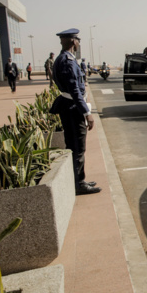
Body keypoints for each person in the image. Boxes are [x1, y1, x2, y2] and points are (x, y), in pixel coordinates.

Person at [49, 28, 101, 195]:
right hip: (73, 108)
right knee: (78, 147)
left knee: (74, 146)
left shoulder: (63, 59)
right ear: (73, 41)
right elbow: (75, 91)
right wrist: (88, 114)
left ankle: (79, 179)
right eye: (78, 40)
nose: (79, 43)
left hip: (69, 106)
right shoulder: (67, 61)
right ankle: (79, 183)